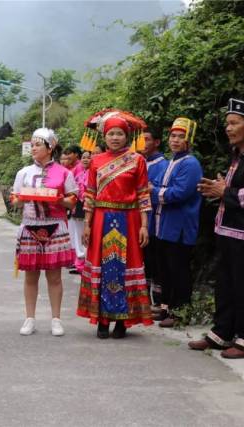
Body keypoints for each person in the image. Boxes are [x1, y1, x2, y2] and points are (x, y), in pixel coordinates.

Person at [192, 97, 244, 358]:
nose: (228, 128)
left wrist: (226, 191)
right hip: (228, 231)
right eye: (228, 123)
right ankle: (222, 331)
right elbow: (231, 191)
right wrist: (217, 189)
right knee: (225, 284)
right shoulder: (238, 155)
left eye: (235, 123)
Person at [76, 109, 153, 338]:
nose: (115, 138)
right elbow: (89, 195)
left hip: (129, 219)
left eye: (120, 133)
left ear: (127, 136)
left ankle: (123, 321)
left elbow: (143, 195)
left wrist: (144, 226)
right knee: (102, 266)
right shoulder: (96, 161)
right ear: (105, 137)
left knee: (125, 267)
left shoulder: (137, 160)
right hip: (101, 219)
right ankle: (102, 319)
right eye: (111, 134)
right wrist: (87, 224)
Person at [10, 128, 78, 336]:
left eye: (38, 145)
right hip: (30, 225)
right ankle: (29, 318)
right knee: (30, 276)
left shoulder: (64, 173)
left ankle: (56, 319)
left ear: (50, 148)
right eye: (32, 145)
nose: (34, 148)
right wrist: (21, 199)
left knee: (54, 276)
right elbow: (14, 200)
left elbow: (73, 201)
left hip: (55, 225)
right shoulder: (24, 173)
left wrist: (60, 200)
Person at [150, 118, 202, 327]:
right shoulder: (171, 161)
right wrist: (155, 189)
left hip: (179, 225)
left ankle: (181, 311)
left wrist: (153, 191)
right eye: (173, 136)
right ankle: (166, 307)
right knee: (166, 268)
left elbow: (179, 193)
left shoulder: (190, 163)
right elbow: (159, 185)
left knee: (178, 269)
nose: (176, 140)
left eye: (181, 137)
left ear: (189, 141)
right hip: (164, 224)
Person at [139, 130, 168, 309]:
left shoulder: (162, 164)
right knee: (144, 261)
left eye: (147, 139)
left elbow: (154, 191)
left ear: (157, 142)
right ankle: (144, 299)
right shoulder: (140, 161)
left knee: (155, 261)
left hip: (154, 218)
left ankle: (157, 301)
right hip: (140, 218)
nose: (143, 143)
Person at [62, 145, 85, 274]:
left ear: (76, 154)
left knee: (79, 233)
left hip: (81, 202)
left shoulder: (80, 168)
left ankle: (80, 262)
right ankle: (76, 260)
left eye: (69, 155)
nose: (66, 159)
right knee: (74, 232)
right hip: (74, 203)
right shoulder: (71, 169)